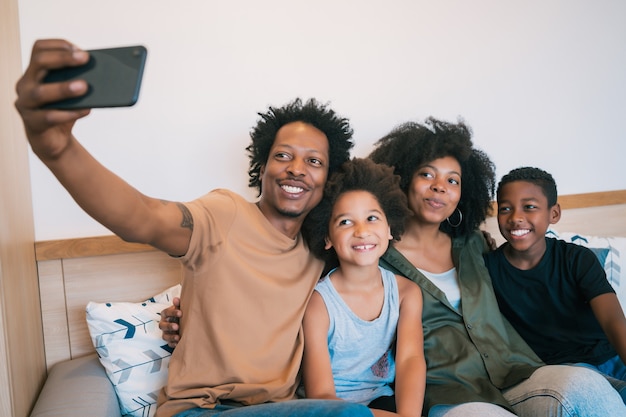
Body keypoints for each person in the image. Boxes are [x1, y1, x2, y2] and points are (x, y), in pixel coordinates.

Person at [15, 39, 373, 417]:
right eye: (282, 155)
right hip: (202, 409)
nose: (296, 168)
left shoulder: (322, 247)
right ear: (262, 167)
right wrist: (57, 148)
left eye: (313, 161)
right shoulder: (224, 214)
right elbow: (142, 217)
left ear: (328, 178)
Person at [368, 118, 626, 416]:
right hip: (449, 390)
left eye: (453, 180)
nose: (440, 187)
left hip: (518, 373)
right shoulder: (375, 258)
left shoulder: (474, 245)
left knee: (585, 385)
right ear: (402, 179)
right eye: (427, 174)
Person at [484, 166, 626, 401]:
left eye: (529, 207)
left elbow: (614, 321)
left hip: (611, 357)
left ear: (554, 213)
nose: (516, 217)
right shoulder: (488, 269)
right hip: (566, 372)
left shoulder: (577, 259)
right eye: (505, 208)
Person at [301, 158, 426, 416]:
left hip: (382, 401)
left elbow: (410, 360)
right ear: (327, 237)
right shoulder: (319, 303)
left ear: (389, 228)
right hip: (332, 409)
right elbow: (320, 395)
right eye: (345, 222)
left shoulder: (406, 293)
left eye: (372, 218)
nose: (361, 231)